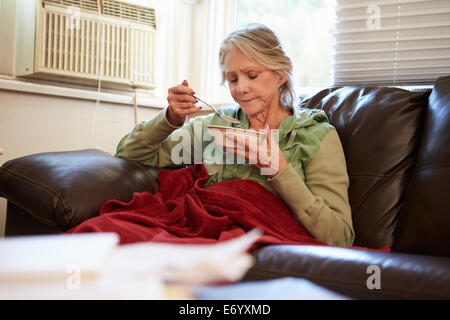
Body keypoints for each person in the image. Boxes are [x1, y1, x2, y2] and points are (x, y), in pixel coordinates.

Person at [116, 24, 354, 246]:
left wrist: (280, 170)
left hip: (261, 243)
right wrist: (170, 118)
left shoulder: (316, 135)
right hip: (204, 232)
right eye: (233, 79)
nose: (241, 88)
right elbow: (129, 152)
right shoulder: (218, 124)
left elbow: (340, 237)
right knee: (113, 231)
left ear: (281, 74)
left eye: (252, 75)